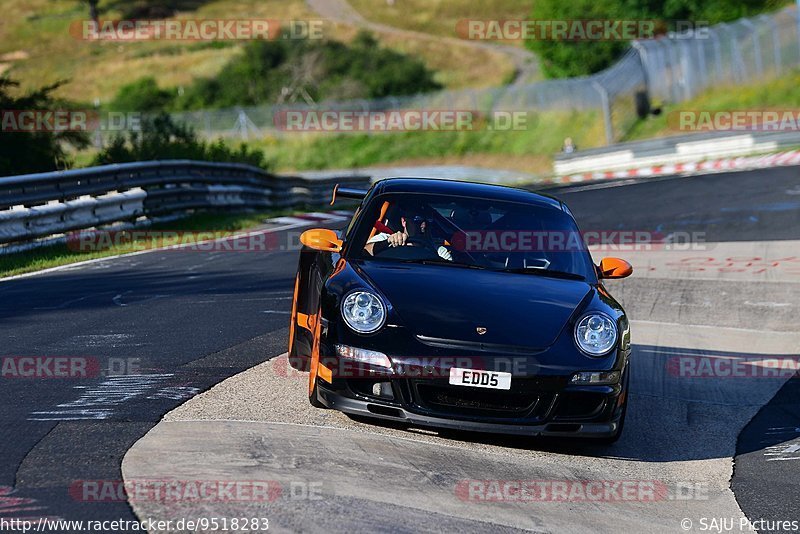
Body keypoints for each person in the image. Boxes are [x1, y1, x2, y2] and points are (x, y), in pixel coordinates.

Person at [364, 213, 452, 261]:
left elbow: (449, 273)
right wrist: (387, 242)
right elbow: (363, 253)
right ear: (404, 222)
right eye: (417, 220)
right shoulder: (385, 238)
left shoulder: (439, 251)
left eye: (427, 221)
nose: (423, 225)